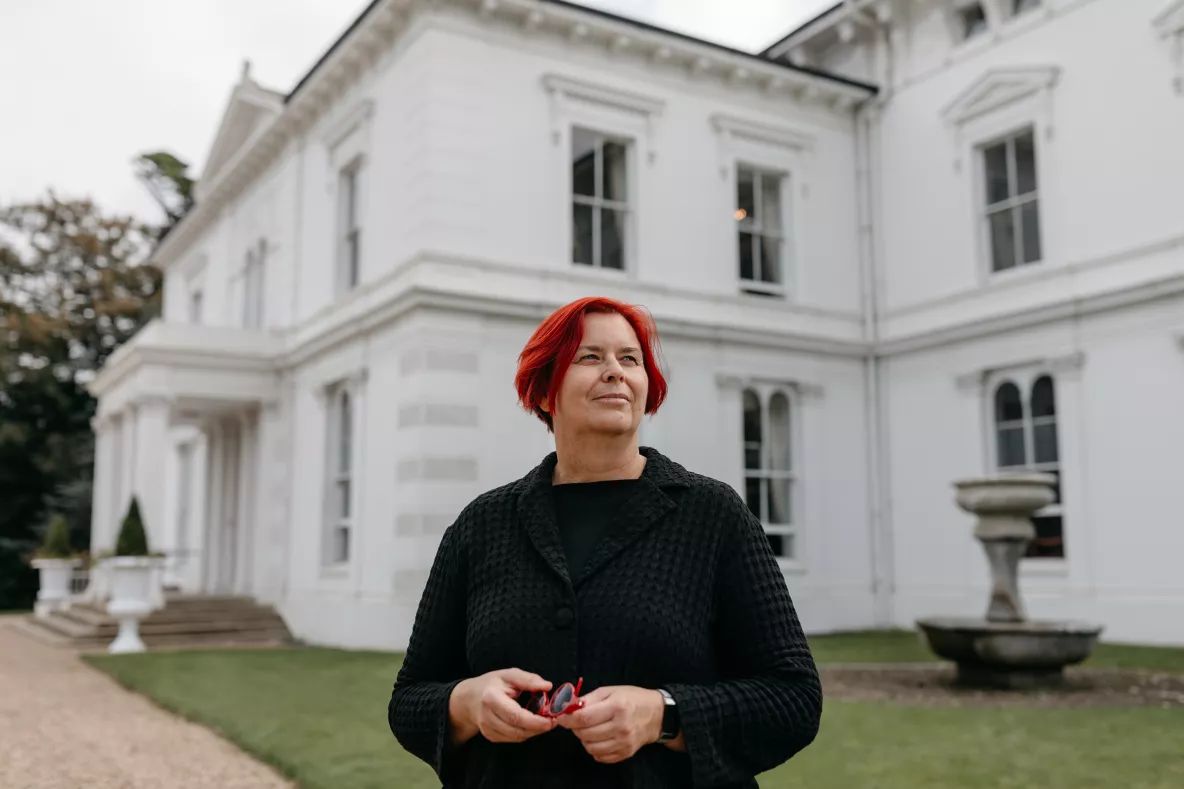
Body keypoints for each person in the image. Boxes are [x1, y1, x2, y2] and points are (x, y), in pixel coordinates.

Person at [388, 296, 822, 788]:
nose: (615, 371)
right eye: (589, 357)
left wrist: (665, 715)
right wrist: (466, 704)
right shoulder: (481, 525)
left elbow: (794, 699)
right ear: (545, 392)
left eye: (630, 359)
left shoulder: (713, 514)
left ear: (646, 387)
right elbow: (409, 700)